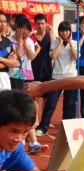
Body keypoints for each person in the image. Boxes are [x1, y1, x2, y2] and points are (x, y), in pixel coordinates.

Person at [8, 16, 48, 154]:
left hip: (27, 76)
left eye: (27, 29)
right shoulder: (10, 41)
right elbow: (18, 55)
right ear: (17, 28)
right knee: (18, 109)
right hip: (14, 76)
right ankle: (28, 142)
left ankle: (33, 142)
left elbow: (31, 57)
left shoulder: (30, 41)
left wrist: (25, 42)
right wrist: (19, 41)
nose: (24, 31)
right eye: (22, 28)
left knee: (28, 108)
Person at [36, 21, 78, 137]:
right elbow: (53, 56)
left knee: (69, 105)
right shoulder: (54, 42)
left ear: (70, 31)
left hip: (71, 77)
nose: (64, 33)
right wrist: (59, 43)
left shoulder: (74, 42)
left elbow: (75, 57)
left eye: (66, 30)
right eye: (62, 31)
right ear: (59, 32)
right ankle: (43, 127)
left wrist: (70, 44)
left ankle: (67, 129)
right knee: (51, 103)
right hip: (57, 77)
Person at [31, 14, 56, 111]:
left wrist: (50, 33)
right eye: (38, 23)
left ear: (46, 24)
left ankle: (44, 121)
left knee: (46, 98)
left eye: (42, 23)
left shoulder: (50, 36)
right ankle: (35, 120)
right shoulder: (31, 37)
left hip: (48, 70)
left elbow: (54, 45)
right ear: (35, 24)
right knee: (34, 97)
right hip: (34, 70)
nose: (40, 26)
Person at [0, 11, 18, 90]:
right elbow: (11, 63)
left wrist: (1, 59)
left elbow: (16, 63)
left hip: (5, 78)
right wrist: (8, 61)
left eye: (5, 21)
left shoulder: (7, 42)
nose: (3, 24)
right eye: (0, 21)